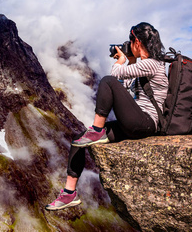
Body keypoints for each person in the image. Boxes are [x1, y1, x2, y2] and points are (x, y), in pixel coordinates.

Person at [45, 22, 169, 211]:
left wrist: (121, 61)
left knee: (107, 80)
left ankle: (97, 129)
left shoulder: (153, 64)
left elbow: (115, 75)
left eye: (130, 40)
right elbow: (126, 90)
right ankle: (69, 193)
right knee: (79, 139)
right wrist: (130, 61)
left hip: (146, 123)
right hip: (136, 121)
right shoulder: (145, 66)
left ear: (136, 41)